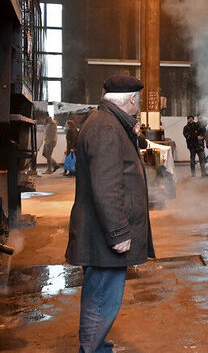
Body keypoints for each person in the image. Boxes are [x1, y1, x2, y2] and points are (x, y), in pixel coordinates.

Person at [66, 74, 154, 353]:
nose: (137, 104)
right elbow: (107, 186)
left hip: (97, 230)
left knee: (100, 293)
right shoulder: (106, 128)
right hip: (103, 234)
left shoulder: (107, 123)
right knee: (103, 296)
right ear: (131, 99)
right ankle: (91, 349)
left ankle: (97, 344)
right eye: (137, 100)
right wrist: (118, 233)